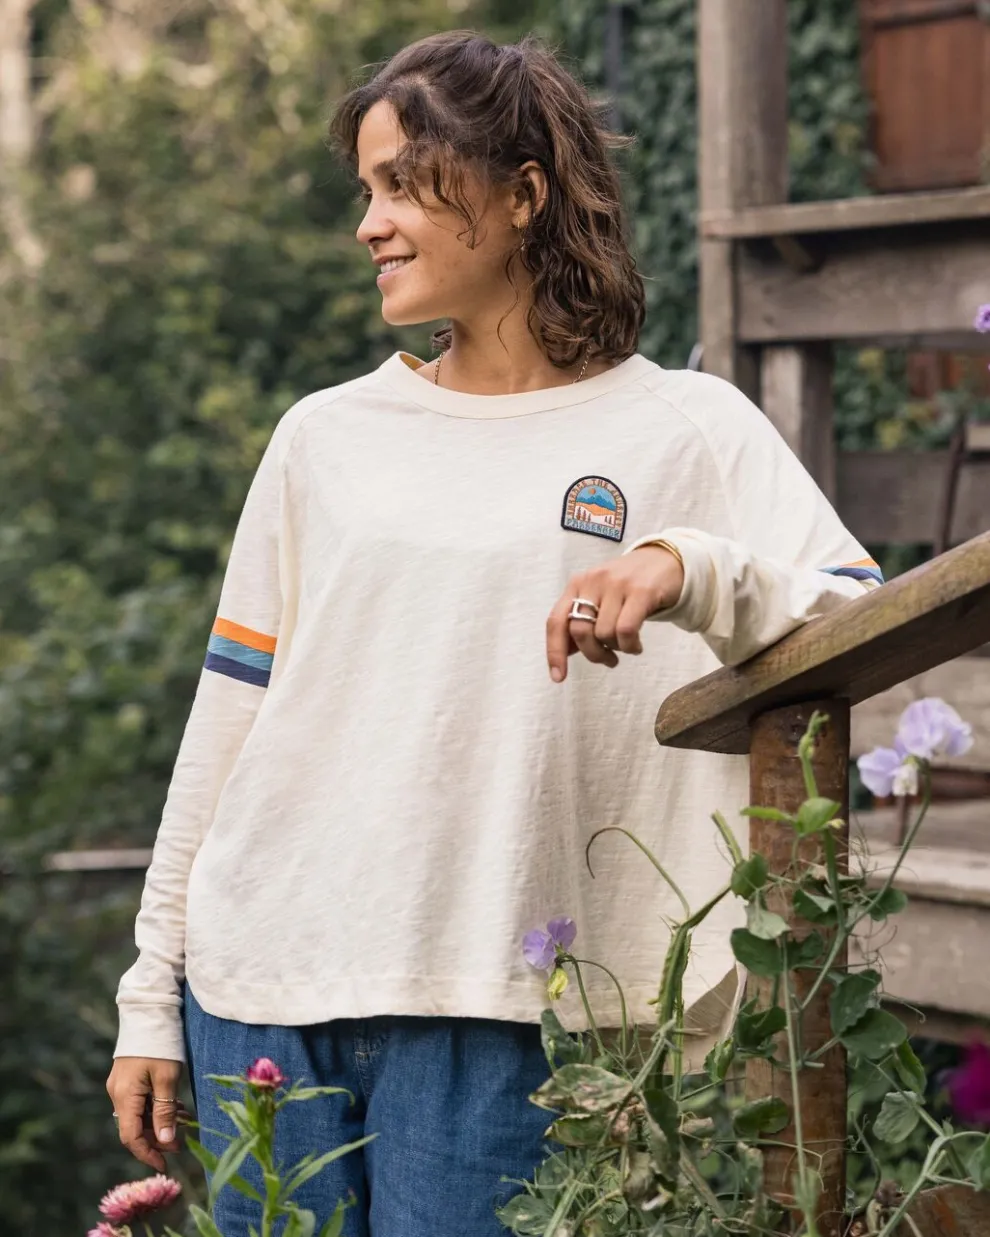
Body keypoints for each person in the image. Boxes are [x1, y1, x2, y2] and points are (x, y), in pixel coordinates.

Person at [106, 30, 882, 1237]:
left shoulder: (687, 427)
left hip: (513, 1002)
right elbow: (231, 718)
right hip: (266, 985)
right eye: (365, 189)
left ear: (522, 194)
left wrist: (688, 567)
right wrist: (151, 990)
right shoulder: (323, 437)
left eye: (401, 185)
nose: (368, 224)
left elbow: (855, 614)